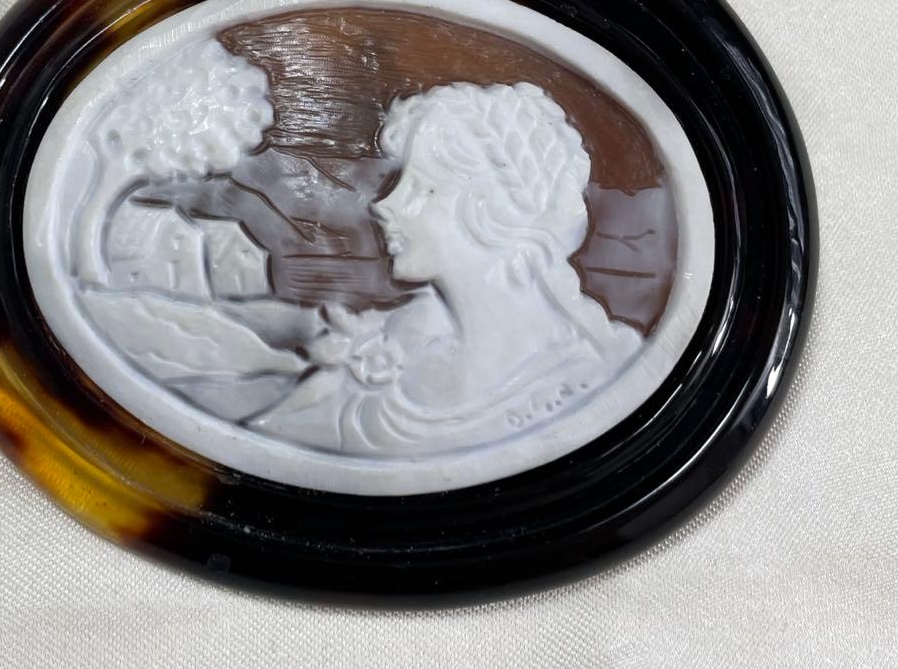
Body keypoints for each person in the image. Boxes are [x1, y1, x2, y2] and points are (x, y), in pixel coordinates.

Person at [250, 81, 642, 455]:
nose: (383, 205)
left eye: (421, 187)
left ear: (487, 208)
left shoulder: (594, 377)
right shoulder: (384, 350)